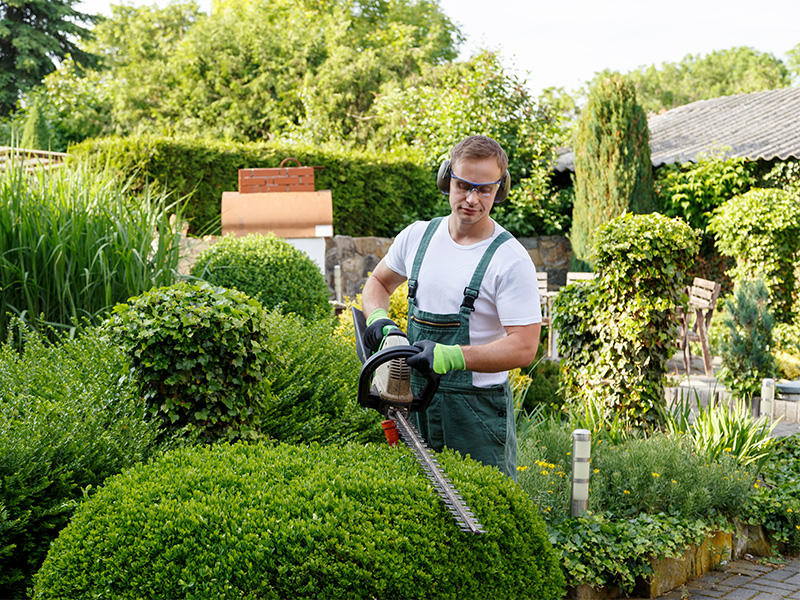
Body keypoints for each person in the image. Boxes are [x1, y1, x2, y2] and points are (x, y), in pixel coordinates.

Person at [360, 135, 541, 480]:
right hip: (412, 402)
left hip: (475, 415)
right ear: (447, 180)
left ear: (500, 190)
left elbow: (524, 346)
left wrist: (453, 356)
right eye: (463, 185)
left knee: (483, 506)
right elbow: (378, 283)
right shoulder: (417, 237)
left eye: (484, 189)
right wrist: (379, 319)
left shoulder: (510, 259)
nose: (472, 199)